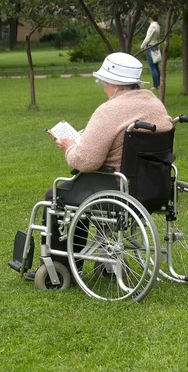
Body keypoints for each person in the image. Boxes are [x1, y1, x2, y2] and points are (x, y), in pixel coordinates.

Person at [25, 52, 173, 280]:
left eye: (103, 81)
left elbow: (85, 161)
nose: (103, 86)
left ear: (113, 83)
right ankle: (100, 258)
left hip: (118, 187)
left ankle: (61, 268)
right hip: (154, 187)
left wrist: (69, 147)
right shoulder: (155, 104)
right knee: (80, 192)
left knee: (57, 195)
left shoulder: (109, 111)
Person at [140, 14, 161, 90]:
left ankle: (155, 85)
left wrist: (142, 46)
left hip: (150, 47)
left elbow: (148, 38)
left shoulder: (152, 26)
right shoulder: (157, 26)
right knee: (156, 66)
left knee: (152, 67)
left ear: (151, 18)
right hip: (155, 46)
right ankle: (158, 84)